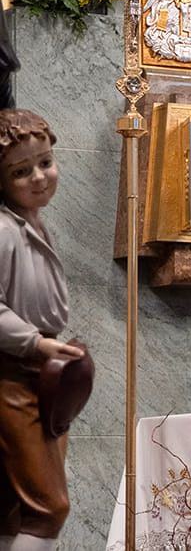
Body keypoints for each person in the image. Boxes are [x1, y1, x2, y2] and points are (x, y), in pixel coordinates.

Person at [0, 109, 85, 550]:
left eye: (46, 162)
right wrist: (35, 342)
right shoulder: (3, 230)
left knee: (13, 505)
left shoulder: (32, 222)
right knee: (47, 505)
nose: (39, 177)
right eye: (21, 171)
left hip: (41, 370)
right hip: (14, 371)